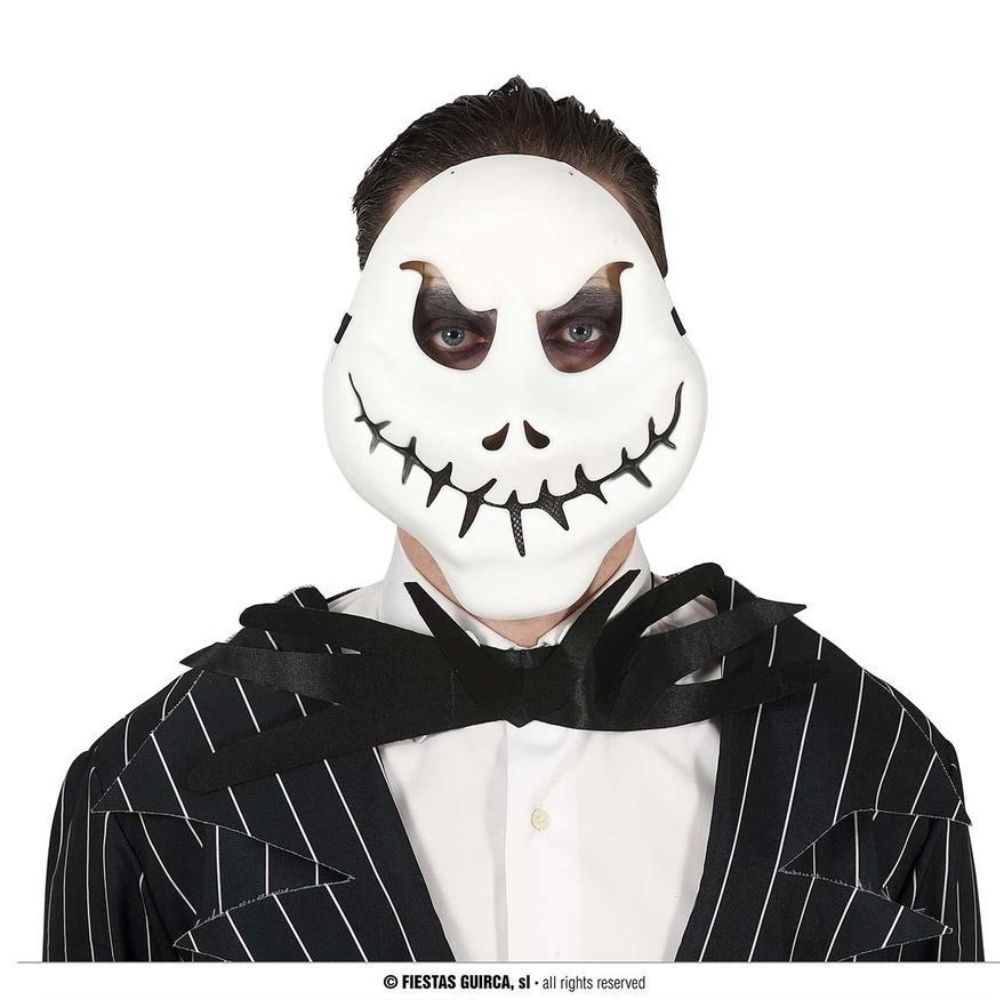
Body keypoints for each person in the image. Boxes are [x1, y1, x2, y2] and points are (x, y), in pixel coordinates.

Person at [43, 77, 982, 963]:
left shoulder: (876, 762)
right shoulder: (151, 784)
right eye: (452, 333)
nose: (517, 417)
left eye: (581, 330)